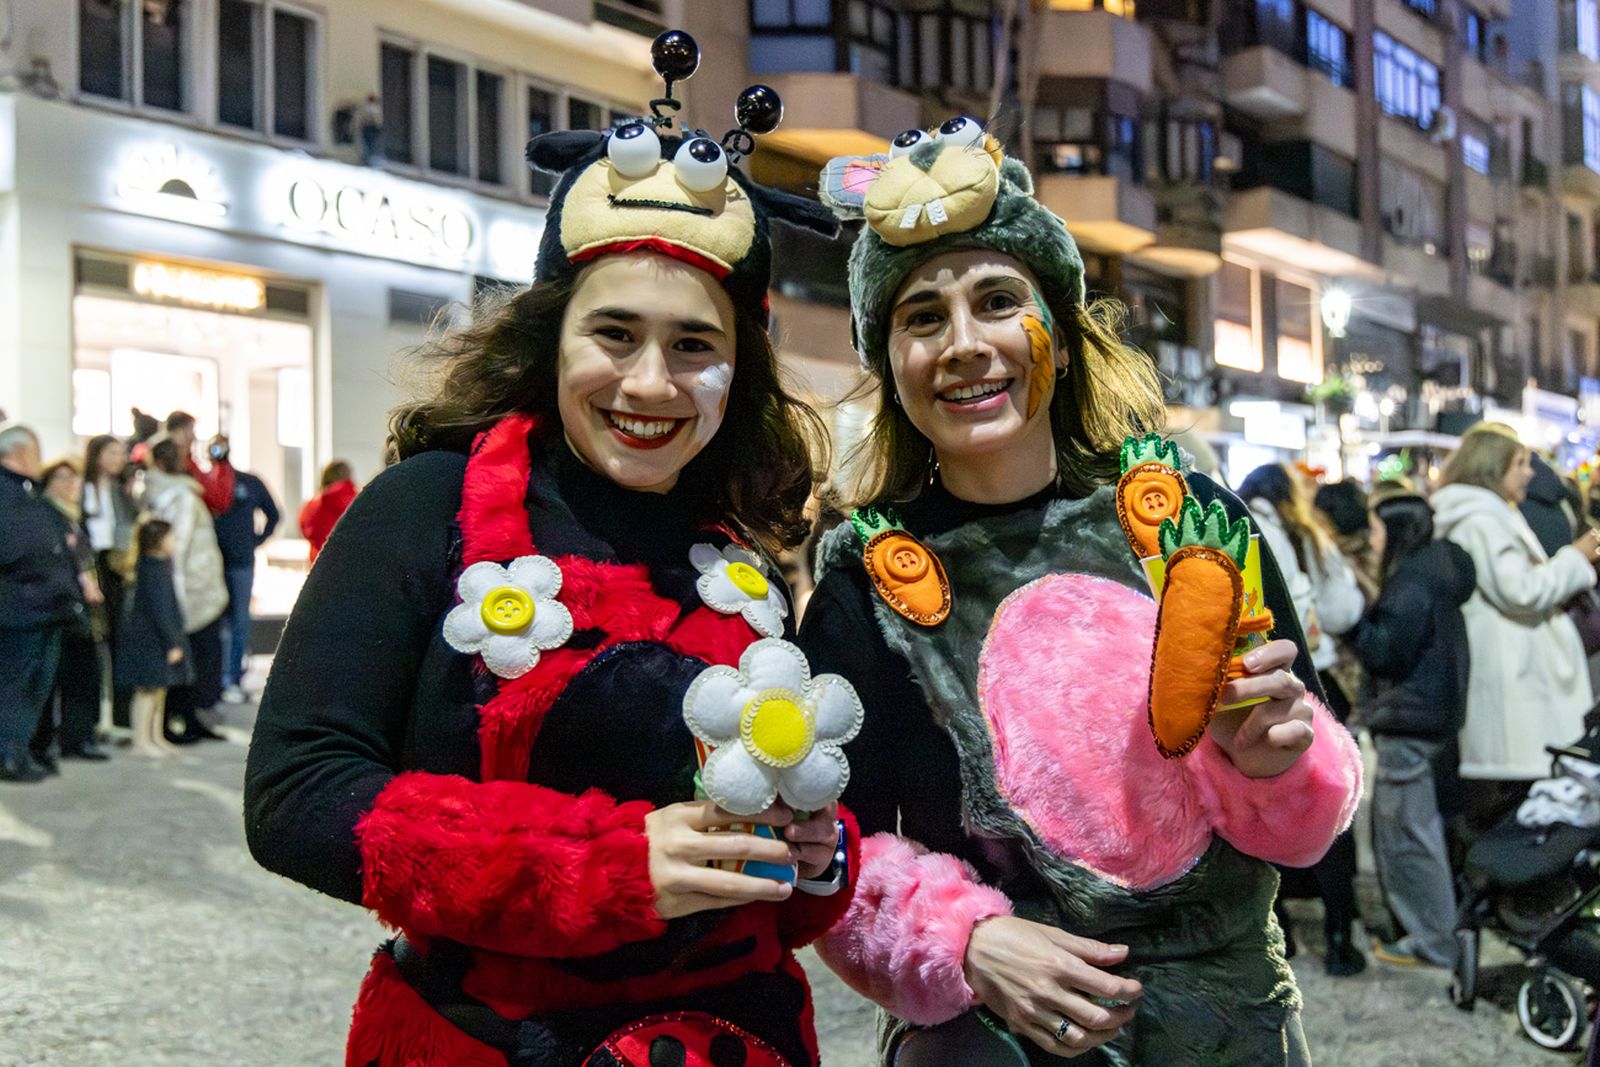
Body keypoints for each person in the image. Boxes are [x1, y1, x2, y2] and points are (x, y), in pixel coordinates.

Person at [245, 48, 863, 1065]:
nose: (650, 381)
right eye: (613, 333)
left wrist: (809, 851)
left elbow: (759, 838)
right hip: (486, 1037)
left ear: (739, 368)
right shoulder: (425, 504)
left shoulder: (738, 547)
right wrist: (608, 866)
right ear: (551, 336)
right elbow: (296, 795)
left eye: (694, 346)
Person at [799, 125, 1360, 1063]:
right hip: (991, 1039)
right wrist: (966, 940)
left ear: (1057, 324)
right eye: (922, 317)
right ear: (888, 363)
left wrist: (1274, 761)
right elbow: (829, 846)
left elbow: (1312, 808)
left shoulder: (1188, 522)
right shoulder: (864, 582)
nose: (965, 345)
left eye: (997, 300)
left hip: (1230, 1025)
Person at [1431, 424, 1600, 832]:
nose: (1529, 472)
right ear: (1494, 466)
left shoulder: (1486, 514)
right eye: (1520, 462)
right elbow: (1520, 591)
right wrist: (1574, 558)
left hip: (1518, 674)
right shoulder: (1481, 520)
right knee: (1517, 805)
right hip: (1516, 680)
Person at [1238, 462, 1368, 976]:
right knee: (1331, 800)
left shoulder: (1238, 521)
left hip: (1254, 685)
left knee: (1256, 804)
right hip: (1319, 683)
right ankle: (1340, 935)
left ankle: (1282, 927)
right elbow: (1342, 610)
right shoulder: (1309, 535)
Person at [1348, 491, 1474, 968]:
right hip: (1431, 715)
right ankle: (1435, 932)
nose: (1372, 539)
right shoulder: (1437, 570)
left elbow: (1386, 652)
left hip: (1410, 716)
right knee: (1418, 828)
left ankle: (1431, 941)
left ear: (1396, 530)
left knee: (1408, 834)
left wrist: (1350, 625)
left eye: (1378, 529)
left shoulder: (1412, 580)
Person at [0, 424, 86, 783]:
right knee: (17, 688)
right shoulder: (9, 495)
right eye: (36, 452)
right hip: (22, 611)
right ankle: (10, 756)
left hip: (44, 609)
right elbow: (16, 549)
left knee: (35, 687)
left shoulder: (26, 495)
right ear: (20, 454)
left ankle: (22, 752)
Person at [144, 438, 228, 743]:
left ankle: (188, 718)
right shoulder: (180, 497)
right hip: (194, 591)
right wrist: (177, 597)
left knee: (196, 658)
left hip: (195, 589)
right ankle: (183, 720)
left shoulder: (166, 494)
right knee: (195, 659)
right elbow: (175, 550)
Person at [32, 458, 110, 765]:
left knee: (83, 675)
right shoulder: (45, 515)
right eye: (62, 478)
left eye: (74, 479)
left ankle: (77, 738)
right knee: (56, 680)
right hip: (59, 609)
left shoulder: (74, 517)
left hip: (83, 610)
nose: (70, 485)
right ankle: (49, 743)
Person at [208, 436, 280, 702]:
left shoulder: (249, 483)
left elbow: (273, 514)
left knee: (239, 620)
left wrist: (254, 541)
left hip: (240, 563)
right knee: (216, 622)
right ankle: (216, 677)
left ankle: (232, 676)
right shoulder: (207, 484)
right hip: (212, 565)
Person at [116, 520, 192, 758]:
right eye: (170, 538)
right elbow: (160, 610)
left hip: (156, 637)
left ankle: (155, 736)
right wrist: (172, 642)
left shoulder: (158, 565)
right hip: (151, 639)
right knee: (147, 690)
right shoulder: (153, 569)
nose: (174, 542)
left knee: (159, 689)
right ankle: (142, 739)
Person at [83, 433, 139, 731]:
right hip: (89, 566)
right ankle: (87, 722)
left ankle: (120, 717)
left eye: (122, 453)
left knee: (120, 641)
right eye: (113, 453)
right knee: (90, 644)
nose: (120, 459)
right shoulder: (83, 487)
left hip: (117, 567)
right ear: (98, 455)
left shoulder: (121, 490)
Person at [164, 410, 235, 518]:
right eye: (191, 430)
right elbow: (218, 501)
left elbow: (218, 501)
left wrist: (221, 463)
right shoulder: (166, 467)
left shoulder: (190, 465)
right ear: (178, 433)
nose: (194, 437)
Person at [297, 460, 357, 564]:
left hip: (320, 563)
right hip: (351, 562)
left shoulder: (315, 502)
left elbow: (305, 527)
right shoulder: (357, 498)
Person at [357, 93, 384, 165]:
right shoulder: (374, 108)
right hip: (372, 128)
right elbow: (377, 120)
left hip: (366, 128)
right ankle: (372, 159)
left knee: (368, 144)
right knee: (373, 144)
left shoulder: (364, 107)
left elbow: (360, 119)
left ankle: (368, 159)